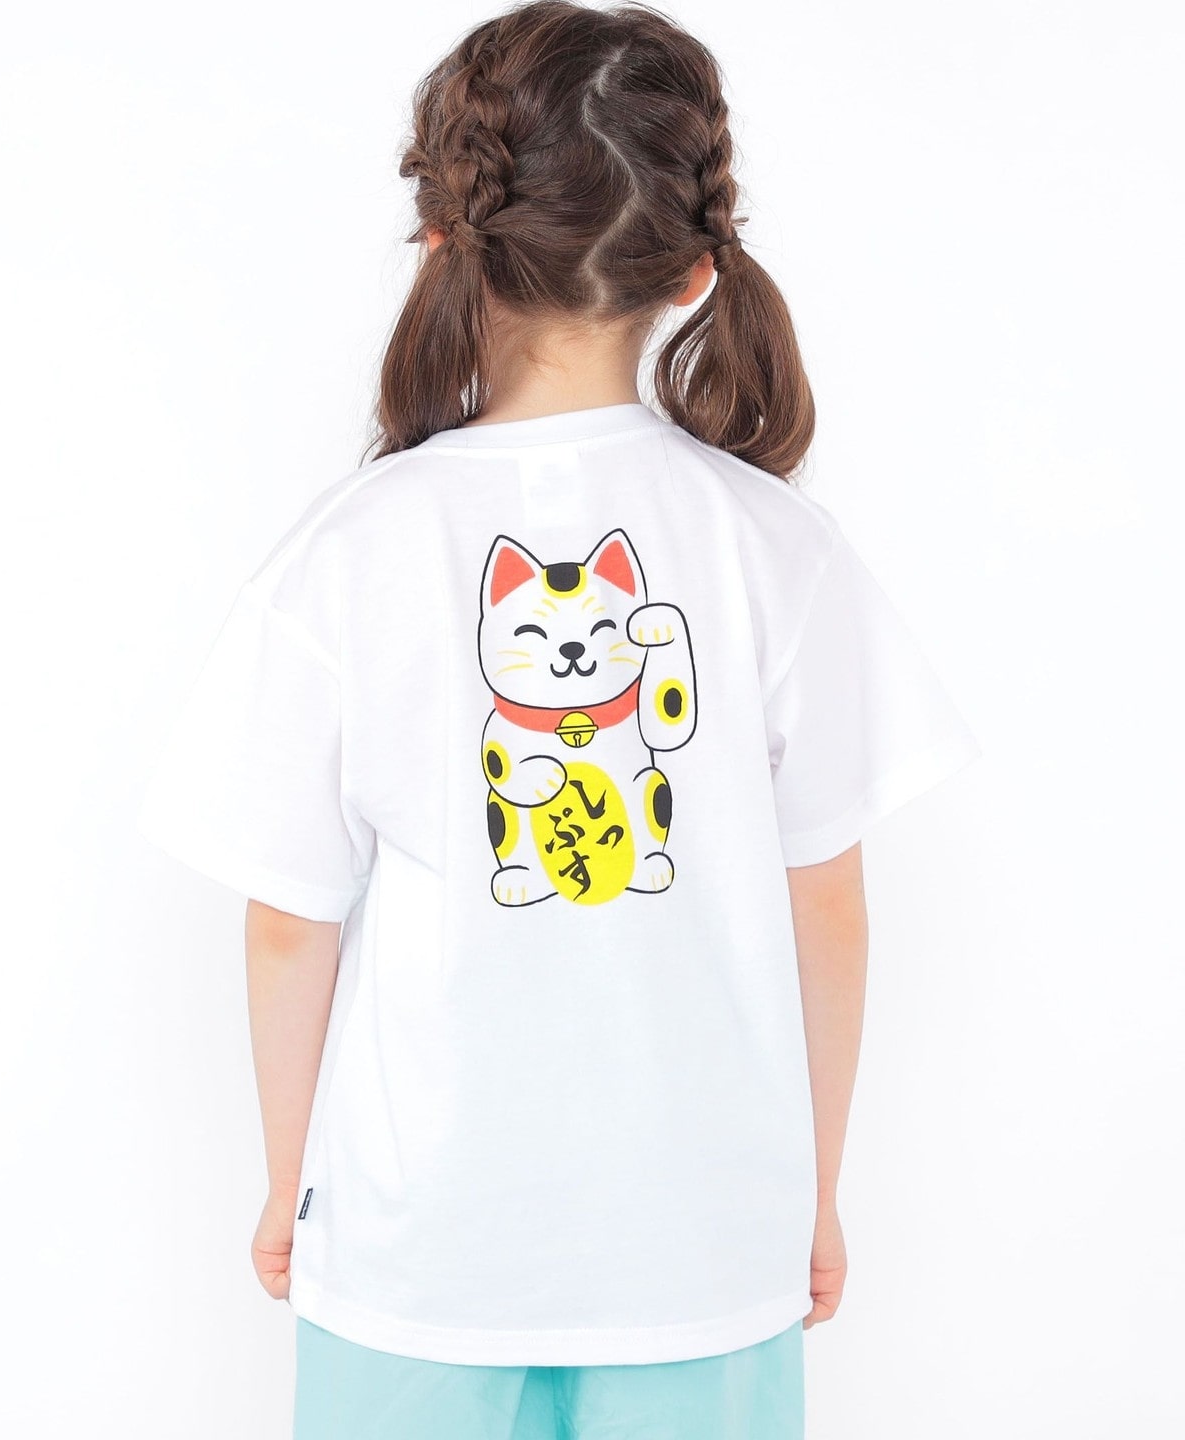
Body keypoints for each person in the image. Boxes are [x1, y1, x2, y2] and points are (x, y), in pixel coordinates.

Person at [136, 2, 982, 1436]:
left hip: (418, 1255)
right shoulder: (774, 545)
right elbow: (827, 904)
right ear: (695, 268)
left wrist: (293, 1184)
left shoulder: (347, 552)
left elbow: (289, 921)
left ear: (443, 237)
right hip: (703, 1251)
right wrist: (814, 1188)